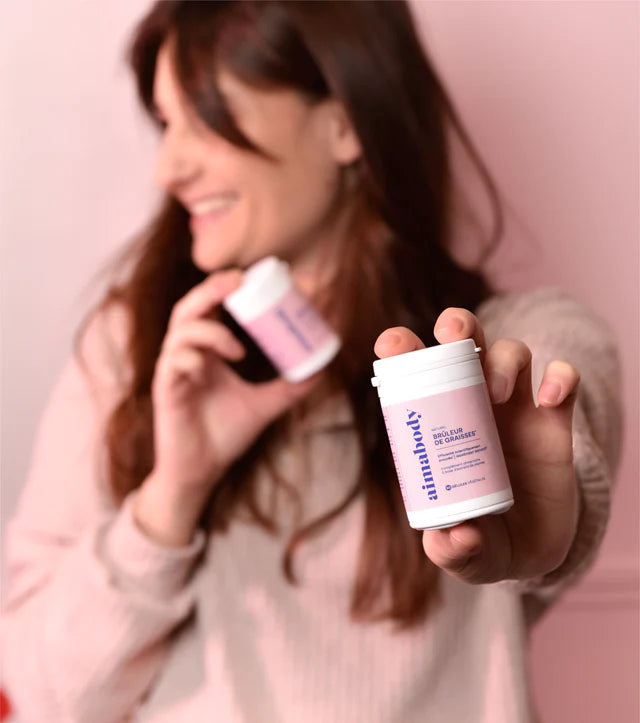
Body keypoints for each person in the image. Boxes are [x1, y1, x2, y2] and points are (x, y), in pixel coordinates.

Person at [0, 1, 622, 721]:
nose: (168, 168)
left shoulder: (506, 344)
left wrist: (542, 524)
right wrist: (171, 493)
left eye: (207, 119)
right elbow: (40, 693)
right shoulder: (132, 348)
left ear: (346, 124)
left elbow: (563, 405)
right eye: (166, 124)